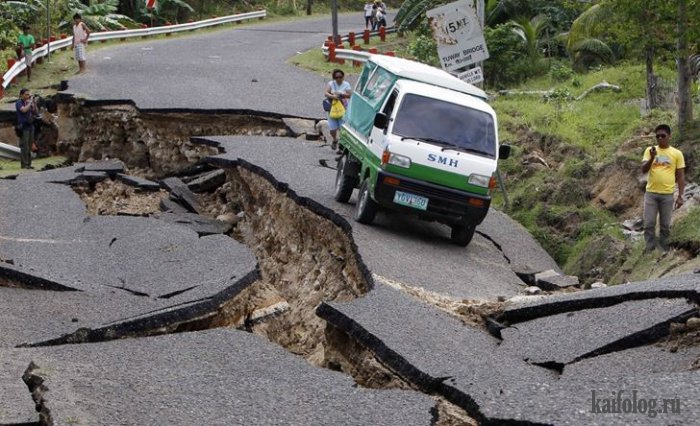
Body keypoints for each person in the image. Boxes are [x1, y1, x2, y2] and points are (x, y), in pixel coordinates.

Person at [641, 124, 685, 252]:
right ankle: (649, 249)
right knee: (649, 224)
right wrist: (652, 158)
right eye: (657, 136)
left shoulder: (677, 153)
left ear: (669, 136)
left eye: (663, 136)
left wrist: (681, 196)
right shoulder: (650, 150)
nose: (660, 138)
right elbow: (643, 170)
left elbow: (681, 176)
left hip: (667, 194)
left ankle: (664, 250)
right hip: (651, 194)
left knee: (665, 225)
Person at [324, 69, 352, 150]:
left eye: (340, 77)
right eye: (336, 77)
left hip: (343, 109)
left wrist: (341, 94)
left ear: (343, 77)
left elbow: (350, 95)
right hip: (332, 108)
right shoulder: (331, 84)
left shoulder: (346, 84)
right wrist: (332, 96)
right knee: (332, 128)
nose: (338, 79)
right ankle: (335, 139)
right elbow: (326, 93)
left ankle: (341, 146)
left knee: (341, 128)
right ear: (334, 78)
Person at [15, 88, 38, 170]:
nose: (28, 96)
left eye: (29, 94)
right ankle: (24, 165)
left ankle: (29, 164)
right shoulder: (19, 103)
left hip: (31, 126)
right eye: (26, 94)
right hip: (23, 127)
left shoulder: (29, 102)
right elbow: (24, 110)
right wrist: (30, 102)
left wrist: (34, 103)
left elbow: (36, 112)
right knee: (24, 146)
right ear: (21, 95)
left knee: (29, 145)